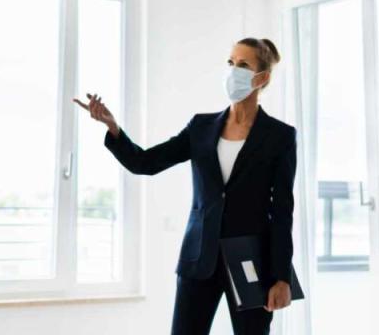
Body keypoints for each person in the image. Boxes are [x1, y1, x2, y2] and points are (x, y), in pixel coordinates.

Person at [74, 38, 297, 335]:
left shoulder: (280, 136)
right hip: (199, 257)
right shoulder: (201, 127)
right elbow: (146, 163)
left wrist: (281, 277)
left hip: (252, 261)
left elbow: (282, 211)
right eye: (230, 63)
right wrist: (114, 129)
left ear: (263, 77)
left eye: (243, 65)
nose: (233, 71)